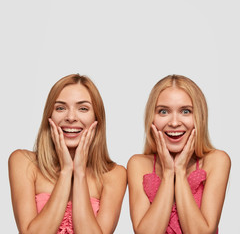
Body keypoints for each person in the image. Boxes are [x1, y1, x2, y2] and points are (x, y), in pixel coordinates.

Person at [9, 74, 127, 234]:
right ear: (49, 116)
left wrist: (79, 172)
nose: (71, 117)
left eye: (83, 108)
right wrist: (66, 171)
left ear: (96, 118)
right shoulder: (23, 162)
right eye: (60, 108)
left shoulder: (114, 174)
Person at [127, 74, 231, 234]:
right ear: (152, 119)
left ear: (199, 117)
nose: (174, 122)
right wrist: (169, 173)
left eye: (185, 111)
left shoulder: (217, 160)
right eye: (163, 111)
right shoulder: (138, 164)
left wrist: (180, 172)